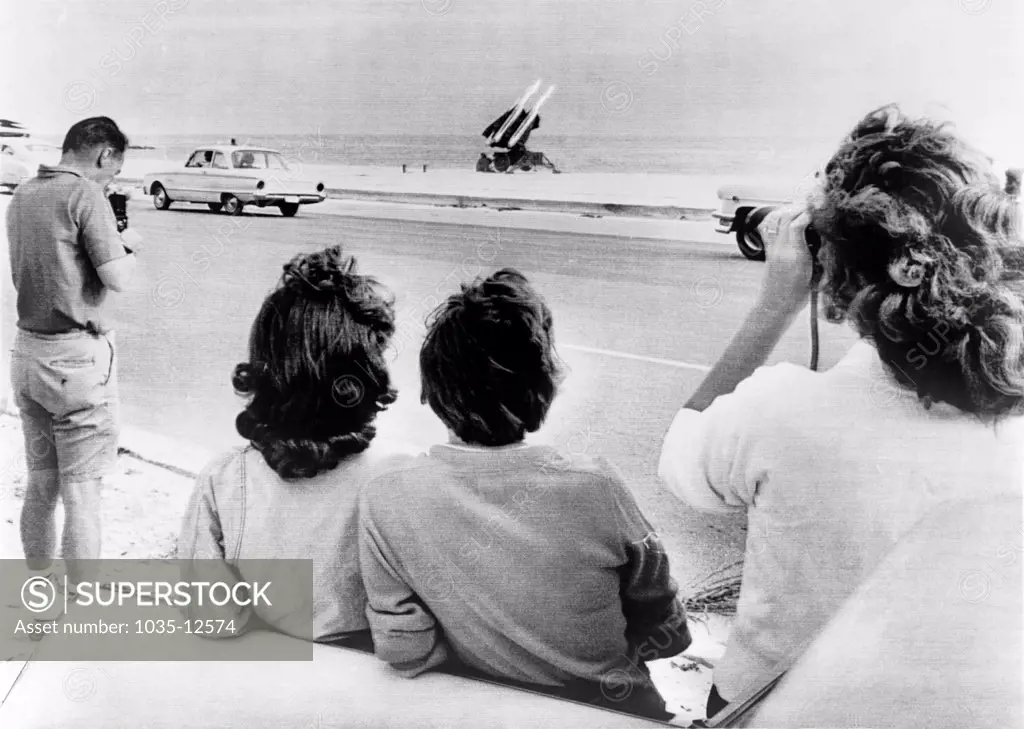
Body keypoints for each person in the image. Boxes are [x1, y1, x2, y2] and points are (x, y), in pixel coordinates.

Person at [657, 104, 1024, 719]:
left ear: (833, 266)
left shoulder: (778, 410)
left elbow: (681, 466)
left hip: (778, 712)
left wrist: (774, 305)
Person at [359, 269, 690, 721]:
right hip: (618, 713)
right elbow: (669, 632)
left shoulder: (388, 495)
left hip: (492, 711)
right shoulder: (595, 486)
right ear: (544, 388)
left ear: (431, 391)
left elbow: (404, 651)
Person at [178, 246, 406, 647]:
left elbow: (211, 618)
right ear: (369, 376)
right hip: (371, 678)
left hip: (271, 678)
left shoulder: (224, 479)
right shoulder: (397, 476)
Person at [7, 116, 138, 598]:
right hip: (76, 366)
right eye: (114, 171)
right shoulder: (86, 195)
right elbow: (119, 279)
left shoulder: (23, 193)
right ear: (104, 155)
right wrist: (129, 246)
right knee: (82, 493)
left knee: (42, 486)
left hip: (27, 354)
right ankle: (81, 613)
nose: (110, 181)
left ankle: (41, 598)